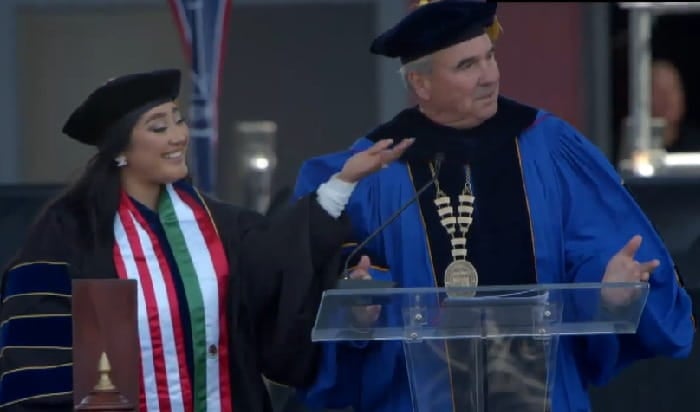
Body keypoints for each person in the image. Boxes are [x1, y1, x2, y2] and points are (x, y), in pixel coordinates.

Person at [292, 1, 695, 411]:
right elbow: (339, 271)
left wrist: (607, 286)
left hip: (542, 391)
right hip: (414, 396)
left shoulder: (549, 146)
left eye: (490, 57)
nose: (489, 77)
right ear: (421, 83)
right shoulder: (377, 167)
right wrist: (358, 302)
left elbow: (593, 251)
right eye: (467, 66)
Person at [0, 68, 413, 412]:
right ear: (120, 150)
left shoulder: (213, 223)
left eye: (178, 120)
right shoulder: (72, 233)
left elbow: (276, 261)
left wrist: (344, 182)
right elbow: (39, 359)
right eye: (159, 127)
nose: (178, 135)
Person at [650, 59, 700, 152]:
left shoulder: (696, 145)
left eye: (673, 89)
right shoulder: (626, 147)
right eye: (658, 91)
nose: (667, 97)